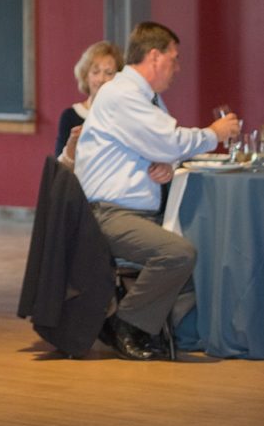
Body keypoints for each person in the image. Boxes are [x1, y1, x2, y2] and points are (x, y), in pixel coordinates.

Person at [75, 21, 240, 361]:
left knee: (200, 247)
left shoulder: (145, 98)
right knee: (177, 254)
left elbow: (159, 145)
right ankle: (124, 324)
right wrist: (214, 133)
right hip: (107, 214)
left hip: (132, 211)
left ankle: (174, 331)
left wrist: (165, 164)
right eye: (174, 58)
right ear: (154, 56)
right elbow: (170, 139)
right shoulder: (123, 95)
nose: (177, 68)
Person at [55, 40, 124, 169]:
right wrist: (72, 146)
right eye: (95, 72)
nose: (101, 79)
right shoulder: (70, 116)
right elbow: (59, 170)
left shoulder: (126, 116)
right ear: (86, 76)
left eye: (108, 73)